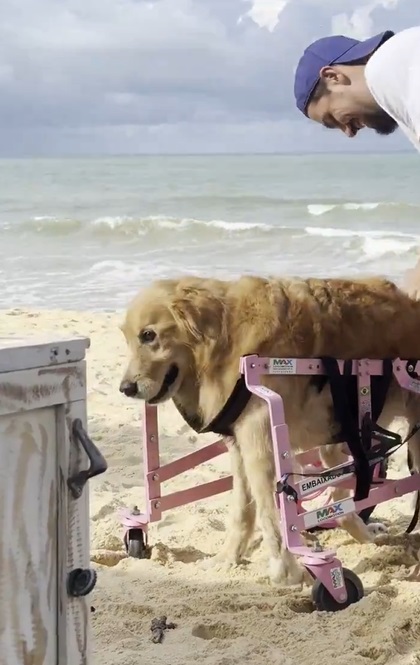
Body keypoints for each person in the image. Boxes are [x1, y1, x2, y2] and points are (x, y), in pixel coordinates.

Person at [293, 25, 420, 296]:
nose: (349, 132)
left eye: (332, 119)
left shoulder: (389, 70)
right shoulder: (401, 77)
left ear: (333, 76)